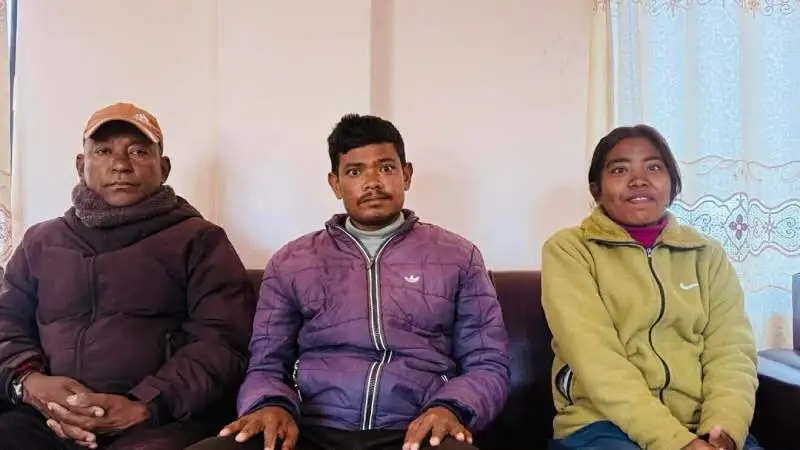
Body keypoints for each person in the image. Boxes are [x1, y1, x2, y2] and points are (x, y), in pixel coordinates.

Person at [188, 114, 510, 450]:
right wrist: (269, 403)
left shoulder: (459, 257)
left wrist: (450, 408)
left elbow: (487, 363)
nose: (372, 183)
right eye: (355, 172)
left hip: (415, 431)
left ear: (406, 175)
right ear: (335, 184)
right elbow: (266, 363)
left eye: (385, 168)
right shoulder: (291, 262)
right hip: (308, 429)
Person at [0, 103, 255, 449]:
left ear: (164, 168)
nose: (120, 164)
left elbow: (223, 341)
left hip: (155, 419)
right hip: (45, 415)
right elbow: (7, 320)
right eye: (104, 151)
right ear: (81, 165)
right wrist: (28, 382)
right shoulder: (41, 241)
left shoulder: (199, 240)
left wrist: (145, 404)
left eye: (138, 151)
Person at [542, 125, 761, 450]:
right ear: (596, 189)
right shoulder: (570, 250)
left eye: (654, 167)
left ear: (672, 184)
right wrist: (676, 442)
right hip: (601, 426)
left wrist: (723, 430)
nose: (638, 180)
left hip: (699, 426)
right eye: (620, 170)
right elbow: (596, 360)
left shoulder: (707, 255)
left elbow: (731, 352)